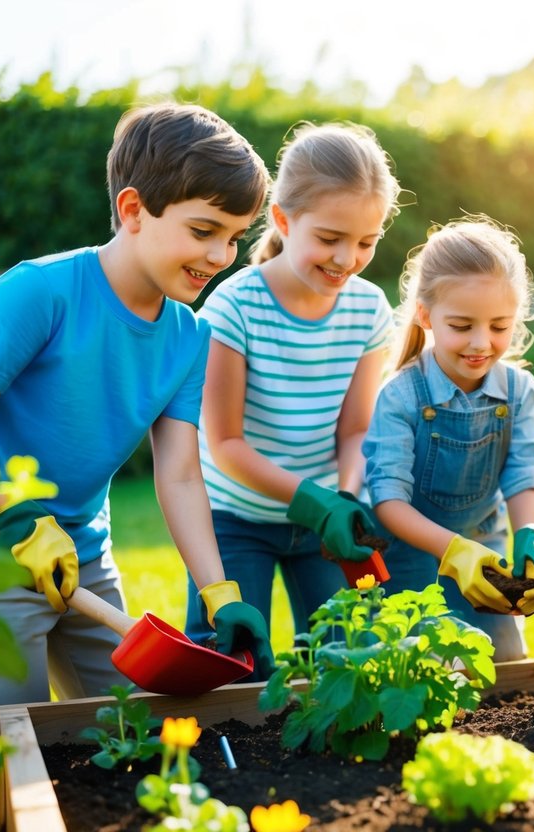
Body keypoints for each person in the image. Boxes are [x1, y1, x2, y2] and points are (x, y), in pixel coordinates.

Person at [0, 102, 276, 722]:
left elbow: (182, 475)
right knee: (3, 746)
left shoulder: (188, 337)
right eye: (203, 230)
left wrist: (219, 592)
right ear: (134, 210)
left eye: (235, 237)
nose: (221, 255)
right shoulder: (40, 292)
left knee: (125, 731)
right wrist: (18, 515)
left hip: (85, 558)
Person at [186, 122, 401, 649]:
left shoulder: (368, 308)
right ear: (283, 219)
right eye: (329, 239)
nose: (346, 259)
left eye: (366, 243)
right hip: (234, 517)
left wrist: (345, 498)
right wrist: (313, 500)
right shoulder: (235, 307)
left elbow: (356, 430)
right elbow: (227, 445)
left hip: (323, 520)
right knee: (230, 656)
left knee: (347, 654)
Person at [362, 217, 534, 661]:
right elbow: (388, 499)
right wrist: (450, 550)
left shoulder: (519, 391)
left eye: (499, 326)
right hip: (407, 554)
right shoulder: (401, 396)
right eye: (463, 325)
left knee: (503, 664)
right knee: (418, 666)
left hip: (484, 545)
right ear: (426, 315)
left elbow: (526, 472)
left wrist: (531, 534)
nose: (481, 343)